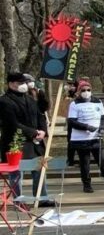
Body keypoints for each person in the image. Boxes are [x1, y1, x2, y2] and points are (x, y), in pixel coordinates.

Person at [0, 72, 54, 206]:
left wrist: (43, 131)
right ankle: (19, 201)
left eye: (24, 83)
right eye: (20, 83)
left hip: (36, 143)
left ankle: (42, 198)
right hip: (16, 142)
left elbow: (40, 115)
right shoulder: (4, 101)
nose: (23, 86)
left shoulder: (30, 99)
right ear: (11, 84)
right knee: (17, 174)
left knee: (40, 170)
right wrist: (34, 132)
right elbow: (13, 124)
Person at [68, 80, 104, 193]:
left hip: (96, 138)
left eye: (88, 90)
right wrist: (86, 127)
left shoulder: (97, 102)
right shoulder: (74, 104)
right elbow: (72, 122)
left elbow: (103, 118)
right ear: (79, 91)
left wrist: (102, 129)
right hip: (81, 139)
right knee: (85, 163)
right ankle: (87, 185)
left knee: (103, 161)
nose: (86, 92)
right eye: (83, 90)